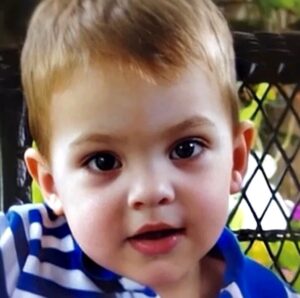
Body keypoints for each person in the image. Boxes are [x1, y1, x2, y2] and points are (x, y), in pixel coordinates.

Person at [0, 0, 298, 297]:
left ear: (235, 160)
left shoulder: (264, 292)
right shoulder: (24, 249)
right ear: (52, 184)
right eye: (103, 161)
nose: (151, 191)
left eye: (186, 149)